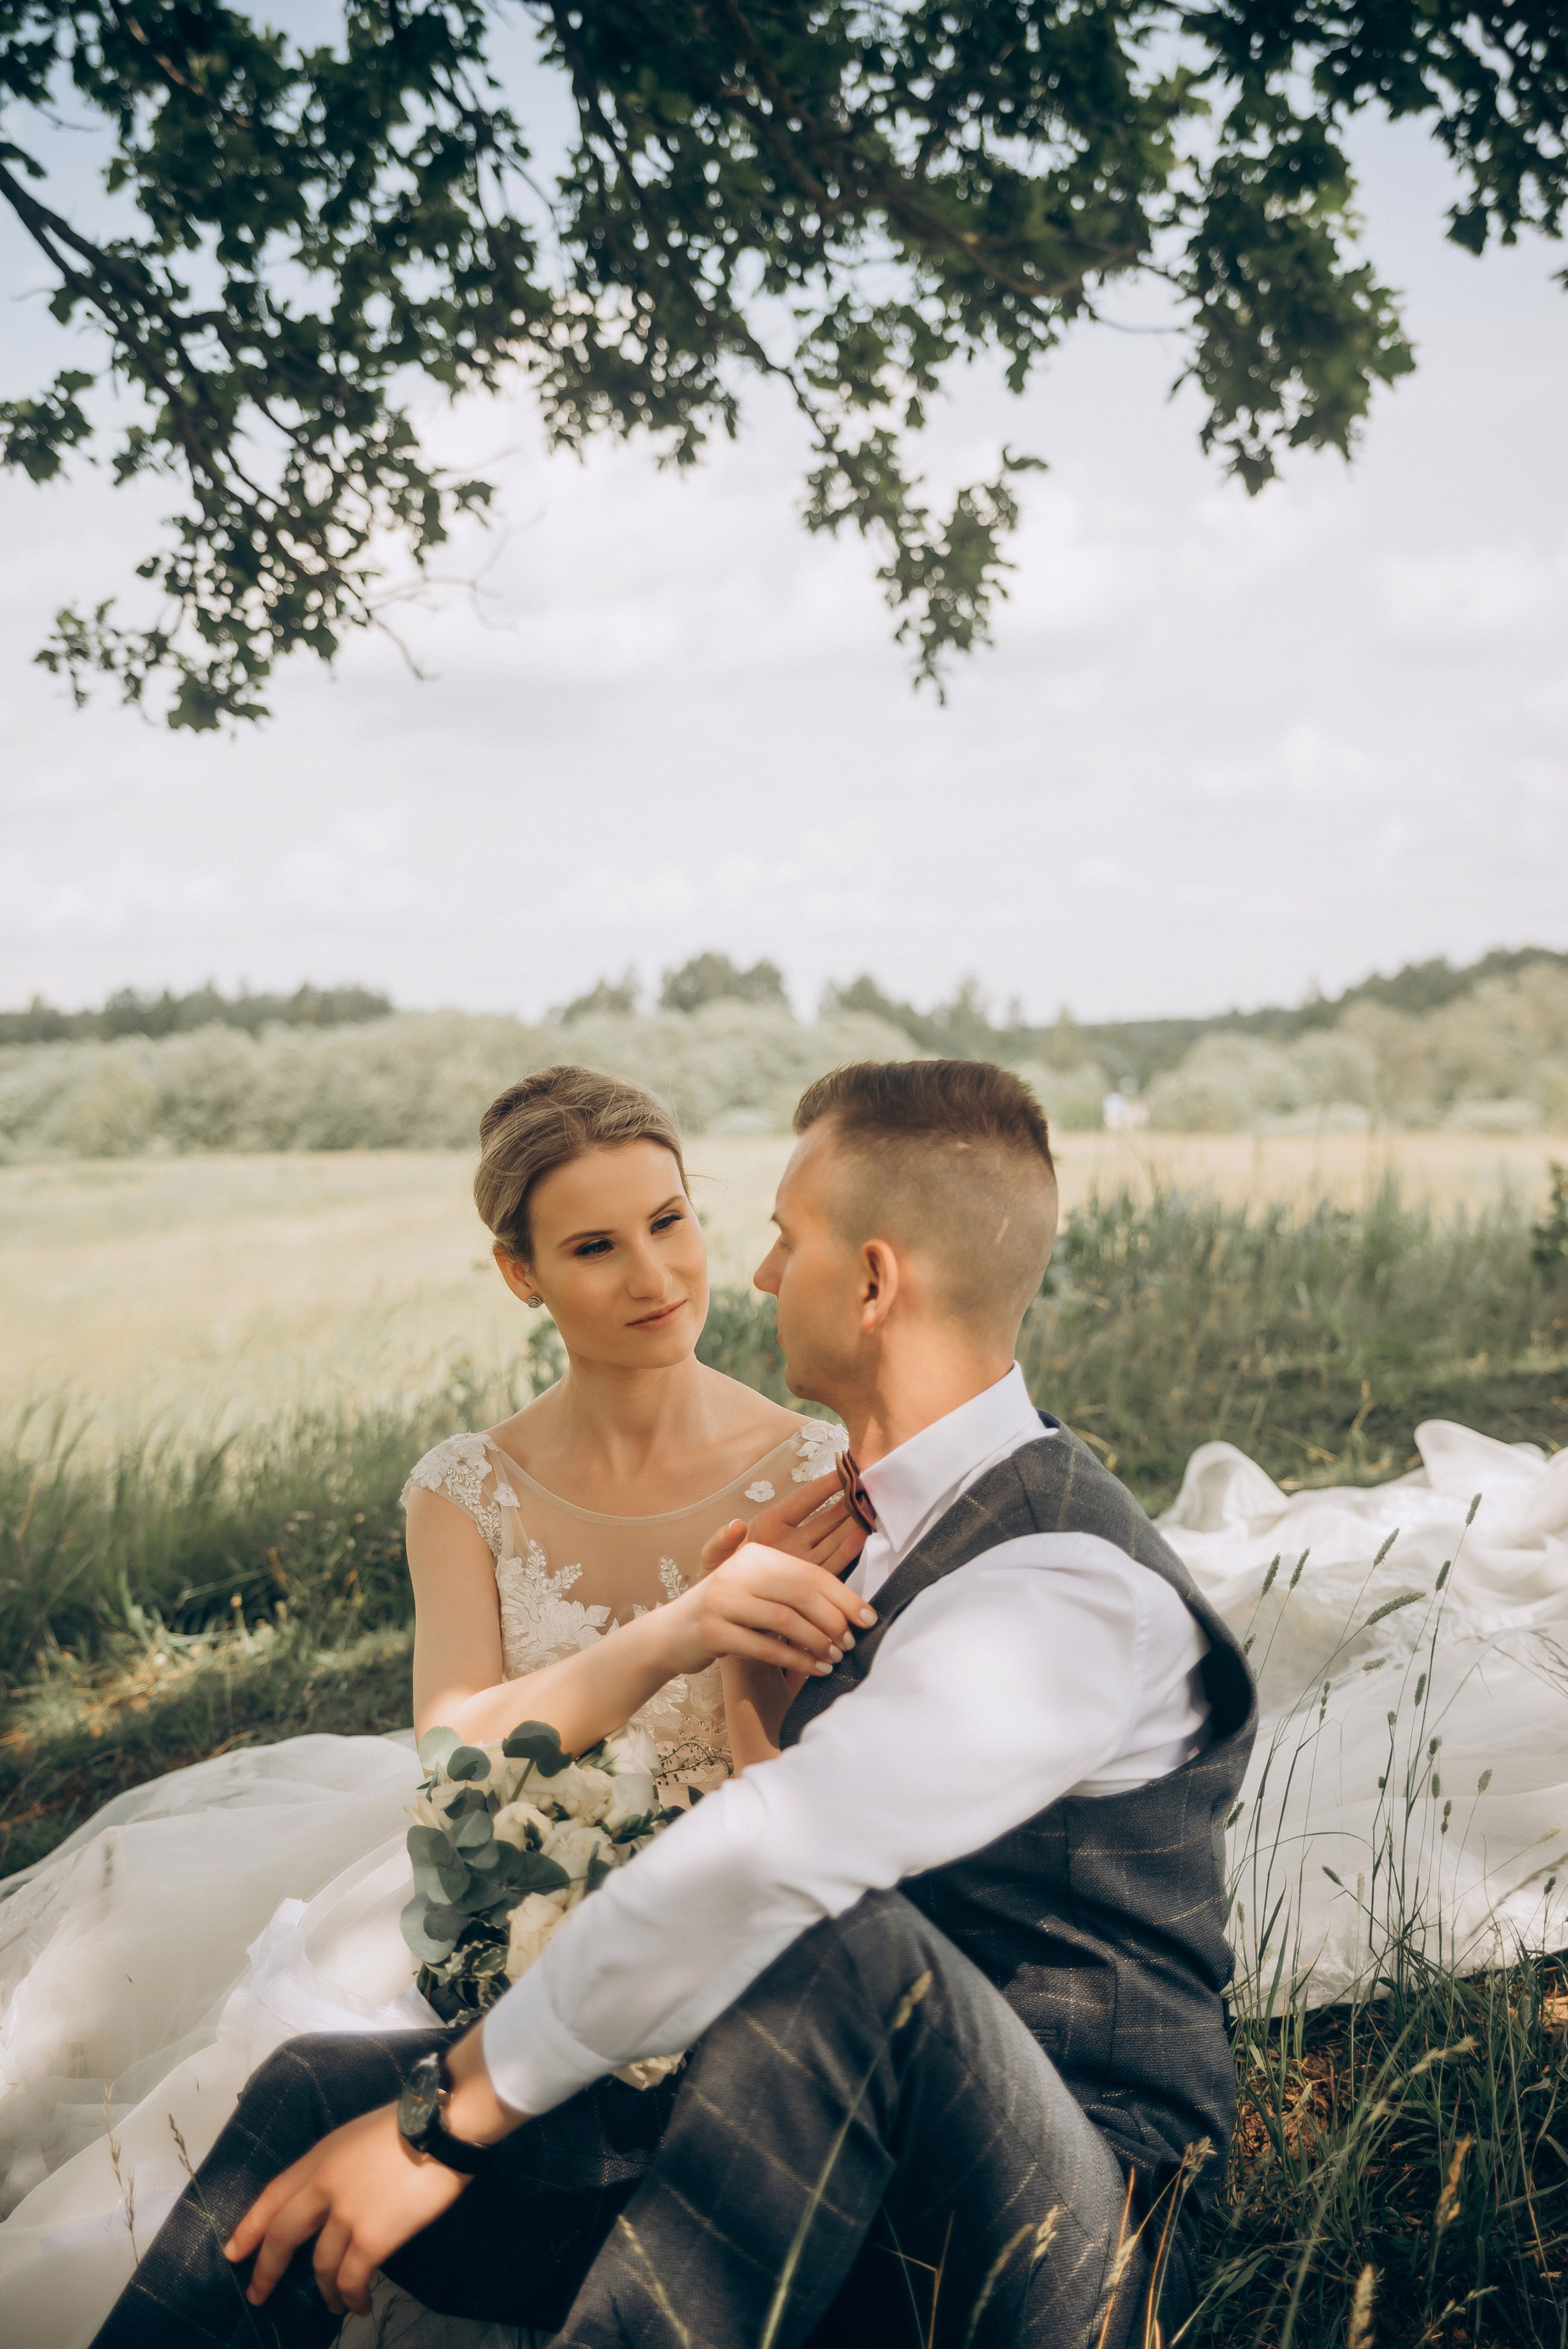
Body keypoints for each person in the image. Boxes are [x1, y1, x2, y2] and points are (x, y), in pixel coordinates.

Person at [90, 1059, 1257, 2349]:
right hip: (815, 2149)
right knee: (314, 2094)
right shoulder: (853, 1526)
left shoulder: (1056, 1585)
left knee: (845, 1954)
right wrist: (749, 1688)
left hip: (1057, 2238)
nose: (748, 1277)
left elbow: (781, 1864)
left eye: (780, 1237)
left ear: (870, 1282)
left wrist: (449, 2119)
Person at [0, 1065, 866, 2346]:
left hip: (715, 1886)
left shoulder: (806, 1465)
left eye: (669, 1220)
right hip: (500, 1875)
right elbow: (455, 1747)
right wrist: (679, 1628)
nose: (654, 1274)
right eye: (592, 1245)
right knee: (294, 2082)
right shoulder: (465, 1486)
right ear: (521, 1274)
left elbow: (807, 1765)